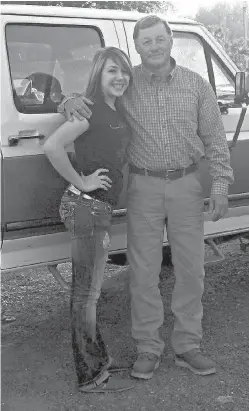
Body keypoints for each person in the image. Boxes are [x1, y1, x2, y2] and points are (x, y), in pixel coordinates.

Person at [59, 15, 234, 380]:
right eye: (146, 42)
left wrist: (219, 186)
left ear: (171, 40)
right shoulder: (127, 83)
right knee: (143, 271)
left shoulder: (196, 85)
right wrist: (67, 102)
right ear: (137, 47)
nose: (154, 47)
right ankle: (148, 347)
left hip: (187, 185)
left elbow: (216, 140)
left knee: (190, 269)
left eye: (159, 39)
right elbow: (90, 98)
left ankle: (187, 345)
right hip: (144, 186)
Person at [43, 47, 135, 393]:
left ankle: (98, 360)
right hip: (86, 206)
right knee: (86, 295)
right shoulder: (90, 110)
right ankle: (90, 374)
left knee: (88, 292)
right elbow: (53, 146)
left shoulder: (116, 109)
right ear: (98, 74)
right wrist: (82, 181)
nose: (119, 77)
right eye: (111, 71)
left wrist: (64, 99)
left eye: (123, 71)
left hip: (97, 208)